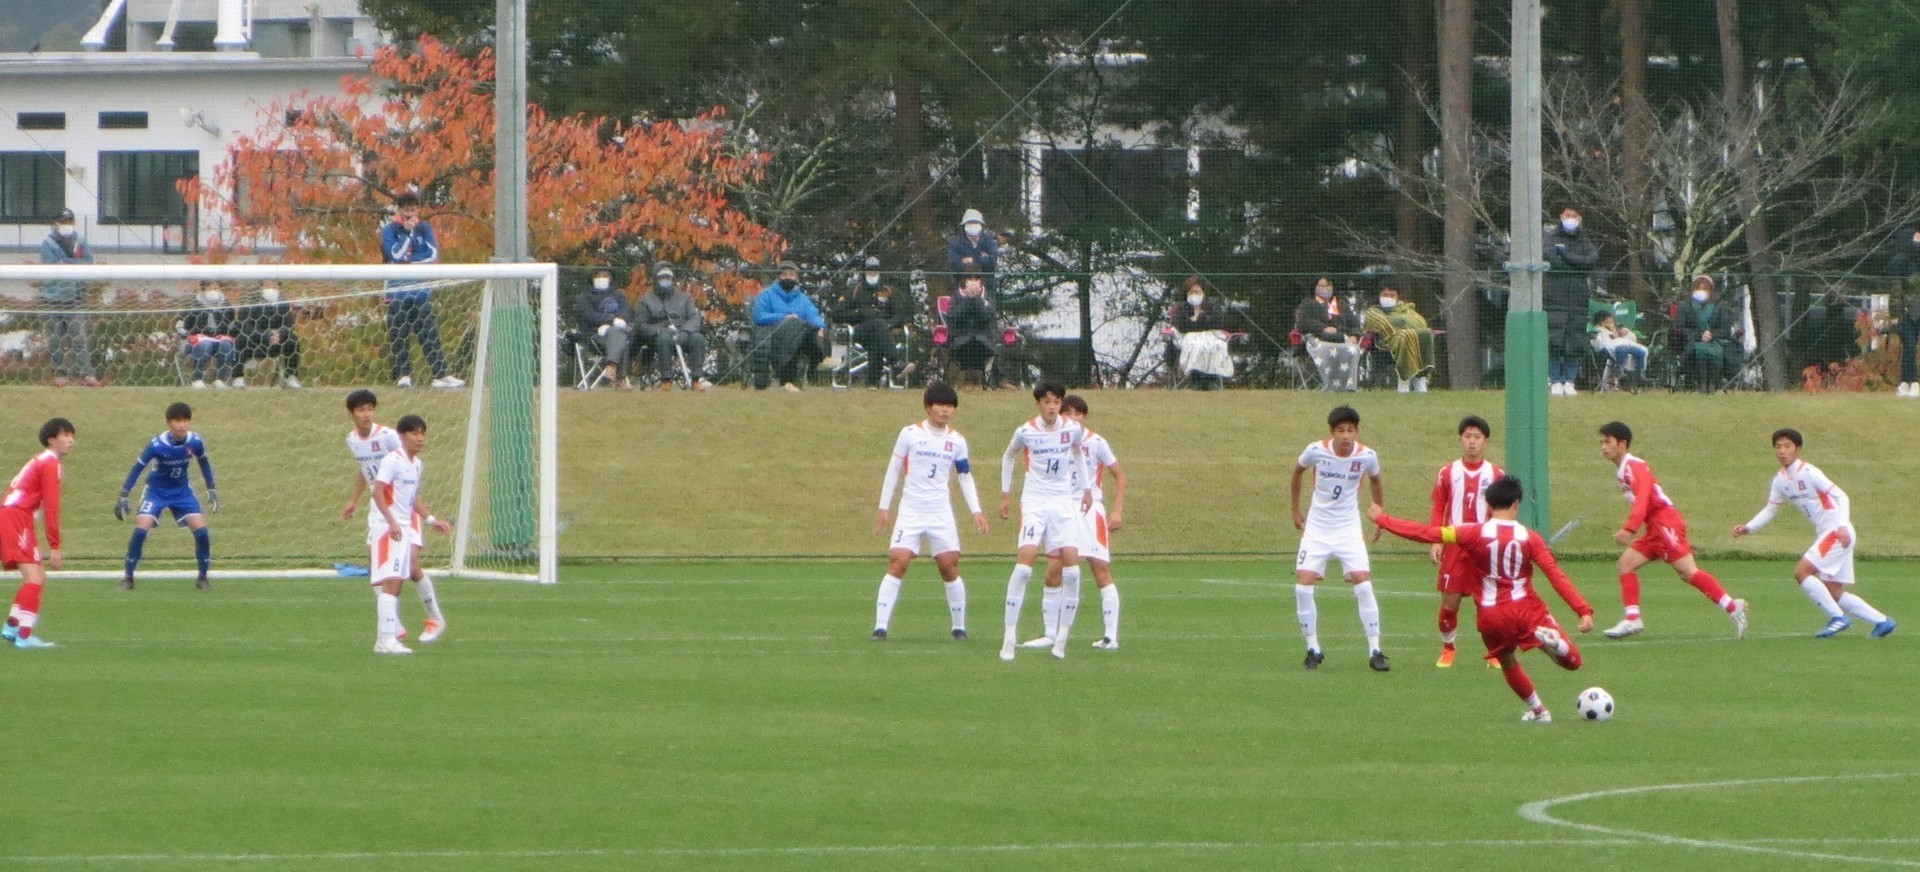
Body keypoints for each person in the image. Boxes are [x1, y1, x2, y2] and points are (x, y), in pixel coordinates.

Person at [1369, 476, 1596, 723]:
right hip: (1526, 608)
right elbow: (1556, 576)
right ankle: (1558, 646)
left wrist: (1383, 519)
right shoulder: (1530, 538)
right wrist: (1582, 610)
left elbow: (1425, 533)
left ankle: (1539, 711)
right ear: (1516, 504)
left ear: (1488, 506)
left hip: (1491, 616)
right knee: (1573, 662)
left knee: (1508, 662)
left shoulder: (1472, 532)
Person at [1733, 429, 1896, 638]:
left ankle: (1838, 618)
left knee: (1801, 573)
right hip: (1829, 534)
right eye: (1778, 446)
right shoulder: (1780, 480)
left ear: (1798, 449)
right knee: (1833, 592)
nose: (1782, 451)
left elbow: (1841, 496)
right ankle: (1883, 622)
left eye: (1787, 446)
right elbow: (1771, 509)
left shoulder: (1809, 472)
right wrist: (1748, 527)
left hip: (1835, 533)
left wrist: (1843, 526)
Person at [1596, 420, 1749, 639]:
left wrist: (1629, 529)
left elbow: (1642, 500)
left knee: (1688, 572)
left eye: (1608, 442)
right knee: (1625, 564)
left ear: (1622, 444)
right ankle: (1632, 619)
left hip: (1665, 523)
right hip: (1654, 526)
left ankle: (1734, 608)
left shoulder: (1634, 466)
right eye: (1601, 442)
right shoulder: (1623, 470)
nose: (1603, 446)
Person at [871, 382, 988, 642]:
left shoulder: (956, 441)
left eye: (950, 407)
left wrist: (976, 511)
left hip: (940, 511)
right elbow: (894, 469)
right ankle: (880, 627)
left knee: (949, 566)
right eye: (940, 406)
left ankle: (959, 627)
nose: (945, 411)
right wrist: (884, 507)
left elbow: (965, 476)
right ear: (928, 407)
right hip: (911, 508)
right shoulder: (910, 434)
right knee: (898, 561)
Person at [997, 382, 1094, 662]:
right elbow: (1008, 456)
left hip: (1063, 502)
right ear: (1038, 403)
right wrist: (1006, 496)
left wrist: (1086, 489)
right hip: (1035, 502)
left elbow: (1077, 452)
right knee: (1024, 568)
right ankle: (1009, 637)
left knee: (1073, 572)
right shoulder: (1026, 431)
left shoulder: (1071, 429)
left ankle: (1061, 639)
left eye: (1056, 402)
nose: (1052, 407)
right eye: (1047, 401)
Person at [1289, 405, 1389, 672]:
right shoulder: (1316, 450)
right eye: (1340, 430)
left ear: (1357, 431)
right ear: (1332, 432)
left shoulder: (1367, 456)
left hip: (1348, 528)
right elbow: (1297, 472)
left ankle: (1375, 650)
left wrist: (1378, 513)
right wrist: (1296, 510)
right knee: (1302, 586)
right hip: (1317, 528)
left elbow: (1376, 480)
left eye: (1350, 430)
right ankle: (1313, 648)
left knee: (1364, 584)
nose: (1346, 436)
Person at [341, 389, 445, 644]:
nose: (366, 415)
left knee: (410, 566)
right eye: (361, 410)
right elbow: (365, 470)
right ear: (351, 414)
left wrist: (427, 517)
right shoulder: (352, 440)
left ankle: (434, 617)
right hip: (380, 508)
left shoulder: (388, 437)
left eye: (370, 409)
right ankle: (393, 626)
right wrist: (354, 500)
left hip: (402, 508)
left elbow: (405, 466)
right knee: (376, 566)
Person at [1026, 394, 1128, 651]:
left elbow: (1119, 475)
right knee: (1053, 571)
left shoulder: (1096, 442)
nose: (1072, 418)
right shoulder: (1054, 439)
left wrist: (1116, 511)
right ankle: (1050, 633)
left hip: (1090, 511)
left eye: (1077, 414)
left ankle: (1110, 636)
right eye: (1067, 413)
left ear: (1084, 417)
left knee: (1100, 570)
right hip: (1062, 508)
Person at [368, 414, 455, 655]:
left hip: (404, 527)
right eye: (415, 434)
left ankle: (384, 640)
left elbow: (413, 497)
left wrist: (431, 520)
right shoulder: (392, 460)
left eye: (423, 434)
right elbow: (377, 492)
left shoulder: (416, 464)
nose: (420, 439)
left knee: (397, 581)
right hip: (388, 528)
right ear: (402, 436)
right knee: (392, 581)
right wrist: (392, 522)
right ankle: (386, 640)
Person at [115, 402, 219, 590]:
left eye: (185, 420)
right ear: (169, 423)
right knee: (141, 530)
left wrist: (211, 488)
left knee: (202, 532)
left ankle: (203, 577)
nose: (181, 425)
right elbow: (138, 468)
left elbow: (204, 462)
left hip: (182, 491)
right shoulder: (156, 445)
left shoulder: (194, 441)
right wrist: (124, 494)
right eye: (177, 421)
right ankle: (128, 577)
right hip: (156, 491)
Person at [1429, 415, 1503, 668]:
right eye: (1468, 437)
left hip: (1484, 548)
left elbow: (1501, 512)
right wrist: (1436, 540)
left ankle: (1494, 652)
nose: (1472, 442)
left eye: (1477, 437)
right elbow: (1439, 507)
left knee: (1489, 605)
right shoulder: (1448, 472)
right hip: (1455, 545)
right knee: (1449, 605)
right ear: (1461, 439)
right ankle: (1448, 648)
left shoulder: (1496, 474)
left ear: (1486, 441)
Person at [1, 419, 77, 649]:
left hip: (16, 517)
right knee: (34, 577)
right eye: (65, 435)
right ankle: (23, 636)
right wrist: (55, 545)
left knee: (36, 576)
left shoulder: (44, 461)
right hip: (16, 517)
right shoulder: (50, 464)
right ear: (51, 439)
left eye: (72, 435)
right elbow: (51, 506)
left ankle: (12, 627)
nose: (71, 440)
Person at [381, 193, 465, 389]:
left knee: (429, 332)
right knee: (399, 334)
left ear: (418, 209)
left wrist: (409, 261)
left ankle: (441, 374)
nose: (409, 212)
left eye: (413, 208)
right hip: (397, 292)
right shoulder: (390, 229)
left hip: (421, 290)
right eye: (405, 208)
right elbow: (394, 255)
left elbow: (432, 255)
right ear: (398, 210)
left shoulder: (424, 228)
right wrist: (407, 234)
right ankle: (403, 375)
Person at [40, 210, 101, 387]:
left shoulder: (80, 241)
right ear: (57, 222)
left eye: (69, 220)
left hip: (76, 297)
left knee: (79, 337)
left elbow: (87, 263)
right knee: (54, 339)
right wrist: (70, 263)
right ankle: (60, 375)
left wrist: (66, 263)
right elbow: (49, 269)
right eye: (63, 220)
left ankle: (87, 374)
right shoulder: (48, 243)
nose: (66, 223)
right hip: (53, 298)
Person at [1543, 206, 1599, 396]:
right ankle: (1555, 379)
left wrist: (1566, 256)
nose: (1570, 218)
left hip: (1578, 299)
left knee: (1575, 340)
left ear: (1580, 218)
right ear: (1561, 216)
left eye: (1574, 216)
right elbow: (1550, 260)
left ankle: (1570, 380)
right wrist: (1576, 265)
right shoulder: (1550, 237)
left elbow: (1591, 261)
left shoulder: (1585, 241)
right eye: (1567, 215)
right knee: (1555, 339)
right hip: (1555, 298)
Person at [750, 261, 830, 392]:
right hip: (773, 334)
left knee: (811, 329)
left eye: (792, 275)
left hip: (800, 337)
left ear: (796, 278)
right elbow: (759, 317)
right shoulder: (767, 295)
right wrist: (783, 317)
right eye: (784, 274)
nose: (788, 277)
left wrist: (820, 327)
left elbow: (812, 315)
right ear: (778, 277)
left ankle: (818, 362)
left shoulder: (803, 298)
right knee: (795, 324)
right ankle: (814, 362)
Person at [636, 261, 710, 391]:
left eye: (668, 277)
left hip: (682, 333)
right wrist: (660, 330)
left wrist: (685, 331)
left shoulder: (685, 298)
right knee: (664, 339)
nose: (666, 280)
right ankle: (666, 380)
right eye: (662, 277)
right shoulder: (645, 300)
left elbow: (694, 317)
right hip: (657, 338)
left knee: (698, 339)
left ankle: (696, 380)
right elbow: (641, 326)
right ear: (655, 279)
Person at [842, 256, 908, 389]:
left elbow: (900, 315)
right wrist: (857, 314)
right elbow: (838, 313)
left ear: (880, 272)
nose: (872, 273)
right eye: (869, 271)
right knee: (878, 324)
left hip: (884, 334)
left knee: (877, 336)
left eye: (875, 271)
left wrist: (888, 325)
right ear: (864, 272)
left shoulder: (889, 291)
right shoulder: (855, 290)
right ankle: (895, 362)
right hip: (860, 330)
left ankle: (872, 383)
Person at [1361, 283, 1435, 393]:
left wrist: (1402, 325)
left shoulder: (1406, 309)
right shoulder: (1374, 311)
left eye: (1391, 295)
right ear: (1379, 295)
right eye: (1385, 295)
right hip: (1386, 342)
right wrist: (1403, 325)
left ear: (1397, 297)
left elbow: (1421, 323)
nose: (1388, 298)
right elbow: (1383, 325)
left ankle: (1420, 377)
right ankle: (1404, 379)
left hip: (1410, 339)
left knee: (1426, 333)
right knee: (1404, 336)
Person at [1294, 276, 1363, 392]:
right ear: (1315, 287)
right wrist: (1323, 328)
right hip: (1318, 340)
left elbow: (1355, 324)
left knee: (1353, 350)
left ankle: (1348, 387)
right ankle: (1329, 385)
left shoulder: (1341, 304)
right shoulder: (1308, 303)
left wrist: (1355, 335)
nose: (1324, 289)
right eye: (1321, 286)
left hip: (1343, 339)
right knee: (1324, 349)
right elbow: (1302, 322)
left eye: (1327, 286)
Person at [1676, 274, 1742, 393]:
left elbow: (1725, 329)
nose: (1701, 291)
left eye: (1704, 289)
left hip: (1716, 340)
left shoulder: (1721, 306)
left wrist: (1712, 334)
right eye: (1698, 288)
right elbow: (1680, 327)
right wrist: (1700, 335)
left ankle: (1713, 384)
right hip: (1693, 340)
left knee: (1715, 351)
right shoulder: (1685, 306)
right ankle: (1701, 384)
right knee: (1700, 350)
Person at [234, 282, 304, 389]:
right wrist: (265, 335)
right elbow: (245, 325)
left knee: (293, 340)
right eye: (267, 286)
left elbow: (289, 325)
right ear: (261, 287)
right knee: (240, 339)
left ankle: (290, 377)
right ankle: (238, 378)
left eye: (274, 286)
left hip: (276, 342)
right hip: (255, 342)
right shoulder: (250, 302)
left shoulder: (283, 303)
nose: (271, 289)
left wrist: (279, 334)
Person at [1170, 276, 1234, 390]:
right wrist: (1200, 322)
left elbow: (1217, 322)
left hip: (1211, 336)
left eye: (1197, 292)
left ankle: (1212, 376)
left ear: (1204, 293)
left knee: (1217, 345)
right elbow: (1183, 326)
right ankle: (1195, 375)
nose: (1194, 294)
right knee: (1195, 346)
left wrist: (1198, 319)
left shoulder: (1213, 306)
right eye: (1191, 292)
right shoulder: (1180, 308)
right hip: (1188, 337)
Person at [577, 265, 634, 389]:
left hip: (619, 331)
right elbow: (589, 315)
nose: (602, 278)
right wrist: (611, 320)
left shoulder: (619, 295)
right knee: (620, 335)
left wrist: (619, 321)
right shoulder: (585, 298)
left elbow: (626, 313)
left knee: (619, 333)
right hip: (595, 335)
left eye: (605, 275)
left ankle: (611, 367)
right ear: (592, 278)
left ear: (611, 278)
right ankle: (620, 377)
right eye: (598, 276)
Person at [944, 267, 999, 387]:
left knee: (986, 345)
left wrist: (976, 300)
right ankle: (961, 382)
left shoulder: (987, 298)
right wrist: (969, 300)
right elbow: (953, 318)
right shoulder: (955, 298)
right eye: (970, 278)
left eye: (977, 278)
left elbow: (987, 318)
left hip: (983, 341)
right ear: (964, 280)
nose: (973, 281)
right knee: (965, 344)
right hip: (960, 340)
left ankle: (991, 382)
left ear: (981, 281)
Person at [1883, 228, 1920, 397]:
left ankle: (1910, 382)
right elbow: (1895, 291)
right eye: (1917, 236)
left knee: (1910, 347)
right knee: (1909, 347)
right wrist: (1895, 314)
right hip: (1907, 311)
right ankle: (1908, 382)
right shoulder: (1898, 263)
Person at [182, 286, 239, 389]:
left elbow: (232, 324)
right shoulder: (194, 304)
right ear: (203, 290)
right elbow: (184, 325)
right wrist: (195, 333)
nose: (213, 291)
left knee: (226, 345)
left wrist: (227, 332)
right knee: (205, 345)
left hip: (219, 338)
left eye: (216, 288)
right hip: (199, 338)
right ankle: (197, 379)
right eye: (210, 289)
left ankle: (220, 379)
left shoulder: (225, 304)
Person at [947, 208, 1000, 294]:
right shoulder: (956, 243)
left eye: (975, 223)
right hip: (961, 289)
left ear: (981, 225)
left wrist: (972, 260)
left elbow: (992, 261)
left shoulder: (989, 242)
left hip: (987, 289)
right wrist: (982, 259)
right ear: (964, 225)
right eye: (969, 223)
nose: (972, 226)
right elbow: (955, 264)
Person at [1589, 310, 1647, 389]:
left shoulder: (1618, 329)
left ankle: (1640, 374)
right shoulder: (1599, 331)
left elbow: (1633, 338)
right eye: (1608, 322)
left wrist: (1626, 333)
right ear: (1601, 323)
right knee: (1622, 349)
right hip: (1612, 349)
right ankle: (1621, 371)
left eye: (1611, 321)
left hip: (1627, 346)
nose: (1611, 324)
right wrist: (1611, 336)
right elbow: (1599, 344)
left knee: (1641, 352)